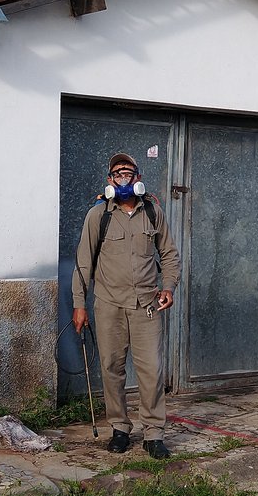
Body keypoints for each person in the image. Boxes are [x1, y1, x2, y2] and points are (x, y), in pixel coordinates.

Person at [72, 153, 181, 459]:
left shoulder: (153, 212)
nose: (122, 177)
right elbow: (83, 263)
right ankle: (120, 429)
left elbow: (169, 254)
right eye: (117, 173)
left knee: (151, 370)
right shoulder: (98, 215)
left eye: (128, 172)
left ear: (138, 178)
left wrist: (168, 287)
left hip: (147, 306)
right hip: (109, 306)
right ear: (109, 181)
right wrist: (79, 304)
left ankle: (153, 434)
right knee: (111, 368)